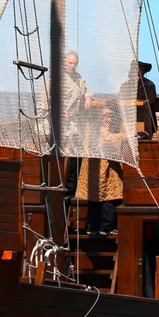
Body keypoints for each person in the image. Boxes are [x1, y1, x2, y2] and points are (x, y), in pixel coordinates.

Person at [75, 104, 124, 235]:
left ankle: (96, 227)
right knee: (106, 197)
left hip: (101, 166)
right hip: (100, 166)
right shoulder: (96, 129)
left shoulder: (97, 128)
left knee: (103, 197)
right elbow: (107, 140)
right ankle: (102, 227)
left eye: (110, 116)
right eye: (105, 117)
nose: (108, 119)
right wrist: (124, 136)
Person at [63, 50, 93, 199]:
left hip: (74, 125)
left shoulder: (78, 78)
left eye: (75, 63)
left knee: (75, 158)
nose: (72, 66)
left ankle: (72, 189)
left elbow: (86, 89)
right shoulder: (57, 79)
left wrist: (88, 97)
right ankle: (63, 189)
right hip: (61, 125)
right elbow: (49, 100)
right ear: (64, 62)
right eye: (70, 63)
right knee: (63, 158)